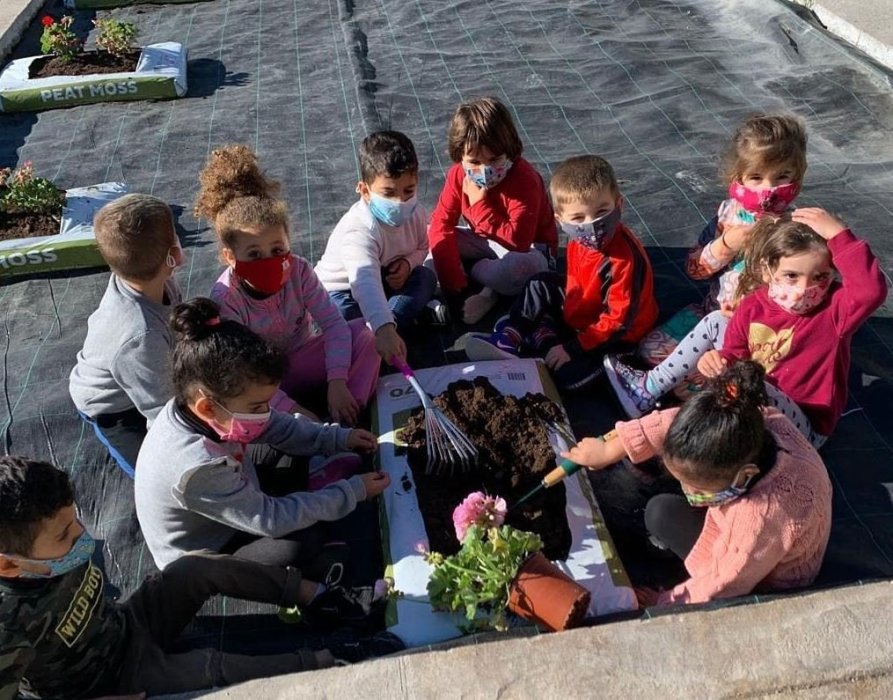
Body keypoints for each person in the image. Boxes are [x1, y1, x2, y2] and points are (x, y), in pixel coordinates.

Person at [0, 455, 353, 698]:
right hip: (117, 680)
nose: (81, 534)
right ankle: (331, 661)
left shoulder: (53, 546)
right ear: (9, 566)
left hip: (128, 623)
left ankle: (317, 596)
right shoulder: (7, 625)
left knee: (194, 567)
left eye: (76, 520)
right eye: (64, 535)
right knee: (210, 669)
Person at [134, 298, 390, 594]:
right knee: (300, 543)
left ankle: (308, 495)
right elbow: (270, 519)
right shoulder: (196, 467)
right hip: (208, 553)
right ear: (207, 407)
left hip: (232, 496)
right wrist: (352, 492)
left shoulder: (197, 406)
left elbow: (279, 426)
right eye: (257, 406)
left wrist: (337, 438)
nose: (265, 413)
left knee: (288, 456)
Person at [604, 209, 887, 448]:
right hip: (756, 403)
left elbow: (871, 290)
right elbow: (734, 353)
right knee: (717, 321)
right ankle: (648, 389)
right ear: (767, 271)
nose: (804, 288)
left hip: (802, 429)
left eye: (820, 277)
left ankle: (701, 438)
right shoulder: (753, 306)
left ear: (833, 275)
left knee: (749, 385)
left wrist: (838, 234)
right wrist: (718, 359)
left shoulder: (835, 311)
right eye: (791, 275)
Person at [563, 362, 833, 607]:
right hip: (745, 534)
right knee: (661, 507)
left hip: (764, 580)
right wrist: (609, 449)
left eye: (697, 488)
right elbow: (674, 423)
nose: (688, 492)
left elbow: (723, 583)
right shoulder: (754, 422)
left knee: (659, 512)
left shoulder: (759, 519)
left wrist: (664, 601)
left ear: (746, 473)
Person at [196, 145, 379, 427]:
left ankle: (348, 418)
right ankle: (315, 430)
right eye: (254, 254)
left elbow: (334, 324)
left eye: (277, 249)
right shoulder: (226, 299)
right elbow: (244, 375)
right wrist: (296, 413)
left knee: (367, 334)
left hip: (302, 361)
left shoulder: (299, 270)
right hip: (261, 385)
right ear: (230, 257)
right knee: (241, 396)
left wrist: (338, 381)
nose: (268, 260)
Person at [465, 155, 658, 391]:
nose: (591, 225)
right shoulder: (577, 241)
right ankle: (511, 336)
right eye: (578, 218)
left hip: (619, 336)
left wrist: (572, 347)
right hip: (583, 312)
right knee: (539, 284)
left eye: (601, 212)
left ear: (619, 205)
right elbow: (575, 285)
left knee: (568, 379)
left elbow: (617, 322)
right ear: (561, 221)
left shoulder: (624, 259)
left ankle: (543, 334)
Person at [637, 114, 808, 367]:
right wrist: (726, 244)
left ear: (798, 177)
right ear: (737, 179)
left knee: (751, 369)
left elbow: (802, 292)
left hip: (759, 333)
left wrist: (752, 310)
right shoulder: (728, 214)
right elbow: (694, 269)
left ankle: (715, 381)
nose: (768, 189)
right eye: (756, 177)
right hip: (712, 313)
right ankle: (701, 379)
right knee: (651, 350)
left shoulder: (796, 227)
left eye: (782, 176)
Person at [69, 194, 184, 477]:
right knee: (154, 474)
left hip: (143, 372)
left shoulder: (159, 283)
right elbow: (162, 411)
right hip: (112, 407)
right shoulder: (139, 335)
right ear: (174, 256)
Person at [315, 131, 444, 365]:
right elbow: (364, 281)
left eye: (408, 191)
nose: (400, 202)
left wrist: (408, 264)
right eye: (389, 193)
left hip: (384, 283)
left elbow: (422, 247)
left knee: (425, 277)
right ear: (365, 191)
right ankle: (384, 328)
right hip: (343, 290)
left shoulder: (415, 213)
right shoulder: (359, 229)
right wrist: (384, 328)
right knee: (341, 315)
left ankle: (378, 330)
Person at [427, 97, 558, 324]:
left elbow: (519, 241)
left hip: (529, 251)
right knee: (428, 233)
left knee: (521, 268)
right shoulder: (458, 175)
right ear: (460, 157)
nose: (485, 170)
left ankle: (484, 285)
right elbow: (442, 223)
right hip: (485, 242)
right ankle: (467, 283)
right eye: (474, 162)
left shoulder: (524, 179)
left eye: (494, 159)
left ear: (509, 151)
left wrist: (479, 206)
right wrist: (455, 285)